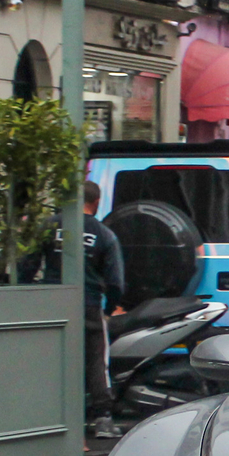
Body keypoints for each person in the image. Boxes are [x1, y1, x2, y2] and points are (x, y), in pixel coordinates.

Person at [81, 180, 128, 436]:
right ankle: (102, 419)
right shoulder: (104, 235)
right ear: (97, 203)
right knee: (97, 361)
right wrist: (109, 310)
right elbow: (115, 283)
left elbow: (28, 266)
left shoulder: (50, 226)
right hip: (88, 305)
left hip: (52, 305)